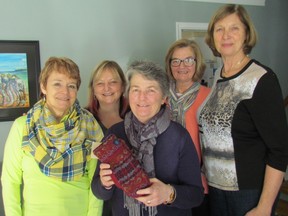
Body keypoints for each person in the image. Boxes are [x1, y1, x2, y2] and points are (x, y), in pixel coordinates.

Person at [197, 4, 288, 216]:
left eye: (234, 28)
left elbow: (280, 150)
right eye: (219, 29)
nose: (226, 35)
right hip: (216, 187)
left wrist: (264, 207)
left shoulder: (262, 79)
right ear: (212, 36)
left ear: (246, 34)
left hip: (248, 192)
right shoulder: (218, 75)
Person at [91, 60, 204, 216]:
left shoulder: (179, 137)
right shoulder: (115, 134)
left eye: (150, 90)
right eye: (136, 90)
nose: (142, 98)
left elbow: (196, 196)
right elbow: (99, 192)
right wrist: (104, 184)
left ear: (164, 97)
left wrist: (168, 193)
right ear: (128, 94)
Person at [1, 57, 104, 216]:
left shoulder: (91, 127)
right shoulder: (22, 127)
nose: (65, 92)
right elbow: (10, 181)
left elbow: (96, 182)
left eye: (71, 85)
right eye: (57, 84)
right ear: (43, 86)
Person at [165, 38, 210, 215]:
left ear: (196, 63)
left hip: (197, 179)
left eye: (188, 60)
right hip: (165, 178)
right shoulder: (161, 96)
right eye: (176, 60)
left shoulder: (208, 96)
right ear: (169, 65)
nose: (181, 65)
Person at [86, 60, 129, 216]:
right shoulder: (82, 120)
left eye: (113, 82)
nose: (107, 88)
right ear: (93, 89)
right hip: (95, 202)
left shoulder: (136, 117)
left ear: (123, 86)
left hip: (130, 203)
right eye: (100, 83)